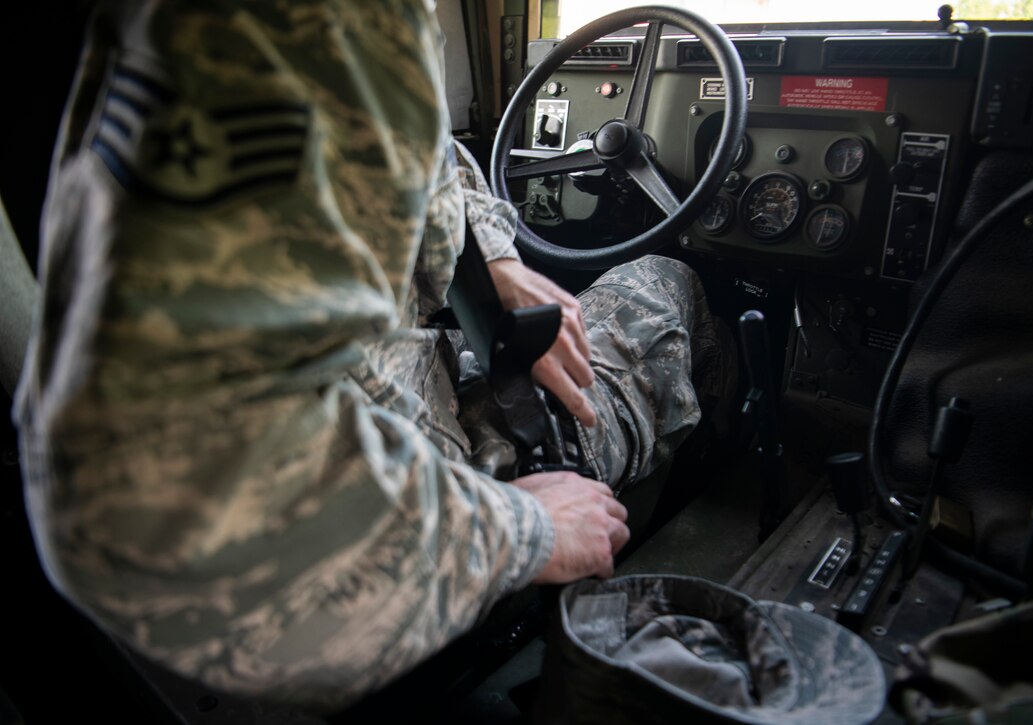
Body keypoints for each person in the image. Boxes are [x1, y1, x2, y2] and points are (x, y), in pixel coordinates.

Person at [15, 0, 726, 713]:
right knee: (668, 283)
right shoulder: (324, 19)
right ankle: (708, 513)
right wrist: (522, 528)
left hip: (378, 383)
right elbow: (158, 486)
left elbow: (413, 151)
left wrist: (494, 258)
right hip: (379, 484)